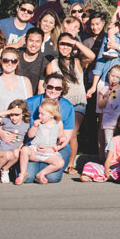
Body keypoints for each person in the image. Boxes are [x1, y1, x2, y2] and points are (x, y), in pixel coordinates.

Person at [47, 32, 94, 173]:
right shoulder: (53, 64)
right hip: (60, 103)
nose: (65, 47)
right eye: (62, 44)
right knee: (57, 133)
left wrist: (75, 43)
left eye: (68, 44)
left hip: (78, 103)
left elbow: (91, 56)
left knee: (72, 134)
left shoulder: (78, 61)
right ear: (58, 45)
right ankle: (55, 159)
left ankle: (71, 164)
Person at [22, 73, 75, 183]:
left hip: (56, 147)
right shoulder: (31, 102)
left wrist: (52, 149)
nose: (53, 91)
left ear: (62, 89)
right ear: (45, 85)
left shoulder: (67, 106)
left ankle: (42, 171)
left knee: (52, 178)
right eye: (50, 87)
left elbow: (66, 137)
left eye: (58, 88)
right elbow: (19, 125)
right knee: (29, 177)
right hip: (34, 144)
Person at [16, 98, 66, 184]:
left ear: (52, 114)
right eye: (39, 113)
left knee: (60, 163)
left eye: (42, 114)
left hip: (48, 153)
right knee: (24, 150)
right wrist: (34, 127)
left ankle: (41, 174)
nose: (39, 116)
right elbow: (30, 135)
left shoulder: (58, 124)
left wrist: (62, 138)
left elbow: (61, 135)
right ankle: (22, 173)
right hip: (35, 150)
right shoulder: (39, 123)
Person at [0, 47, 33, 125]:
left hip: (19, 129)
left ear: (17, 62)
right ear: (1, 61)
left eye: (13, 61)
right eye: (6, 60)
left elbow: (29, 108)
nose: (9, 63)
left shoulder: (25, 81)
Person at [0, 99, 30, 184]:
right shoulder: (7, 121)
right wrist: (9, 111)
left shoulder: (26, 126)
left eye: (17, 115)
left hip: (11, 154)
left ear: (23, 114)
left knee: (16, 153)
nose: (13, 117)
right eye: (12, 115)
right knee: (8, 154)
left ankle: (5, 170)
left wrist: (20, 147)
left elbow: (24, 140)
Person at [96, 63, 120, 156]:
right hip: (108, 120)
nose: (114, 79)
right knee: (108, 142)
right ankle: (108, 160)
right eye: (113, 76)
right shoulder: (103, 89)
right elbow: (100, 105)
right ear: (108, 75)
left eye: (117, 77)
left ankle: (119, 159)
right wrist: (106, 96)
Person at [16, 29, 51, 94]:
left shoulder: (44, 61)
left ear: (42, 43)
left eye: (37, 41)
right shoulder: (16, 55)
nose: (34, 45)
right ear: (26, 41)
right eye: (31, 41)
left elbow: (41, 89)